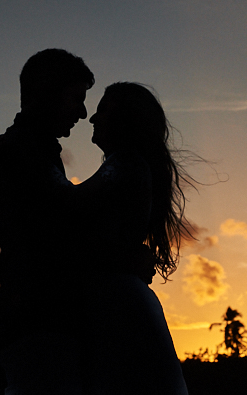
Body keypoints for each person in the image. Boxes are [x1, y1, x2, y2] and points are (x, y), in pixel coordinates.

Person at [0, 48, 95, 395]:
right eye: (76, 99)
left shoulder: (31, 149)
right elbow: (54, 237)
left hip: (37, 326)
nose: (82, 112)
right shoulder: (23, 151)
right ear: (48, 92)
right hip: (37, 326)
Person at [75, 82, 193, 395]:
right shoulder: (128, 167)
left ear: (125, 119)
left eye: (103, 110)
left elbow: (64, 209)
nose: (92, 118)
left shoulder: (125, 164)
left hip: (120, 304)